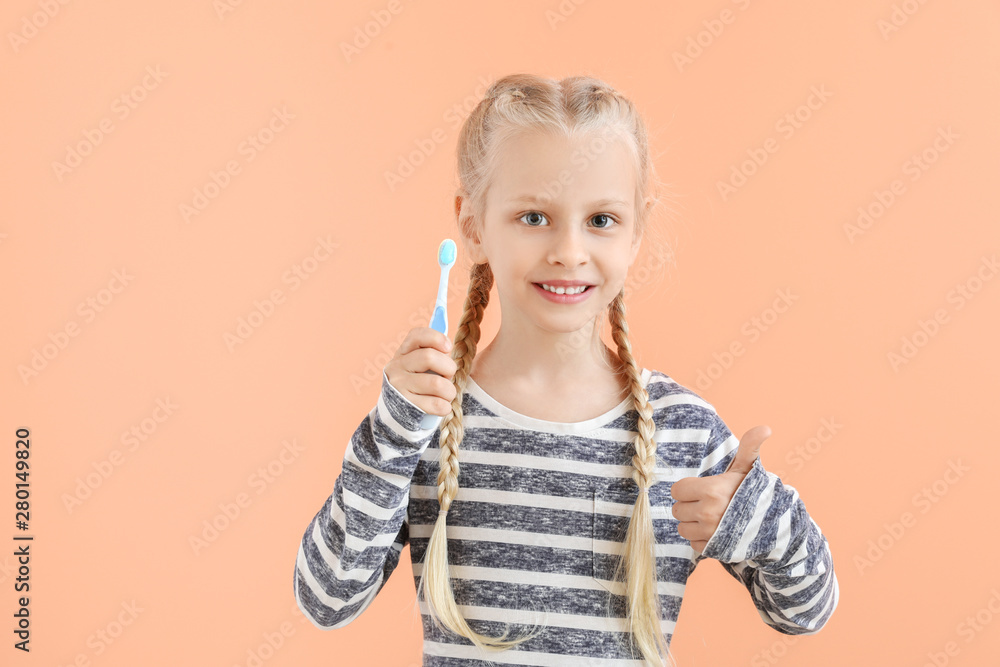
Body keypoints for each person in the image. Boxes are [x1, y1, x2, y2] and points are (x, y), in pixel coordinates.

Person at [293, 73, 839, 666]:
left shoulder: (684, 430)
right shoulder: (426, 418)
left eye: (601, 220)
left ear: (636, 233)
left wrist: (759, 517)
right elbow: (327, 598)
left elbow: (804, 611)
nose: (569, 251)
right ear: (473, 225)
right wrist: (391, 436)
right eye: (534, 217)